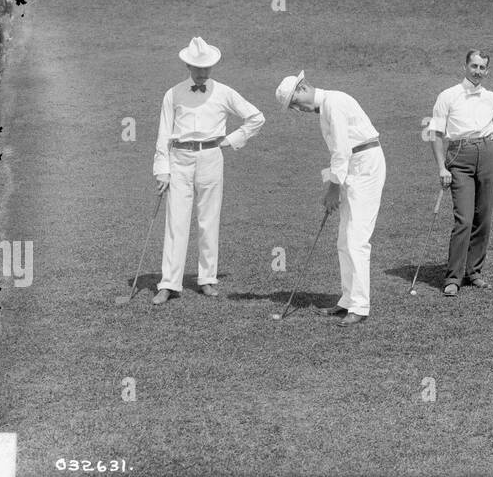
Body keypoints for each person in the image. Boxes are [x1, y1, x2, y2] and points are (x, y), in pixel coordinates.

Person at [151, 37, 265, 304]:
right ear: (187, 65)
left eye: (207, 68)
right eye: (197, 68)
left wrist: (230, 140)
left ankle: (207, 279)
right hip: (179, 158)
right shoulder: (173, 93)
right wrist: (162, 170)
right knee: (176, 221)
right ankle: (169, 283)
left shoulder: (224, 92)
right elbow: (163, 133)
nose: (202, 73)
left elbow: (256, 117)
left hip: (211, 158)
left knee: (208, 218)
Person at [275, 70, 386, 326]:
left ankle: (359, 306)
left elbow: (342, 150)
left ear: (303, 88)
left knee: (356, 238)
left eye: (294, 102)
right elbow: (340, 154)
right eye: (291, 106)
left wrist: (333, 189)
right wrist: (333, 183)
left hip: (365, 166)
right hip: (354, 166)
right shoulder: (326, 107)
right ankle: (348, 300)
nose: (297, 109)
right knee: (343, 239)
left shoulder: (334, 104)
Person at [427, 50, 493, 297]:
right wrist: (441, 167)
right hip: (459, 156)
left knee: (483, 217)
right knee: (464, 219)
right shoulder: (448, 95)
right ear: (465, 66)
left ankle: (473, 272)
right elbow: (435, 133)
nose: (478, 71)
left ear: (487, 71)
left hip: (487, 155)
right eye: (474, 66)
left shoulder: (490, 97)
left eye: (482, 67)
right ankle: (453, 277)